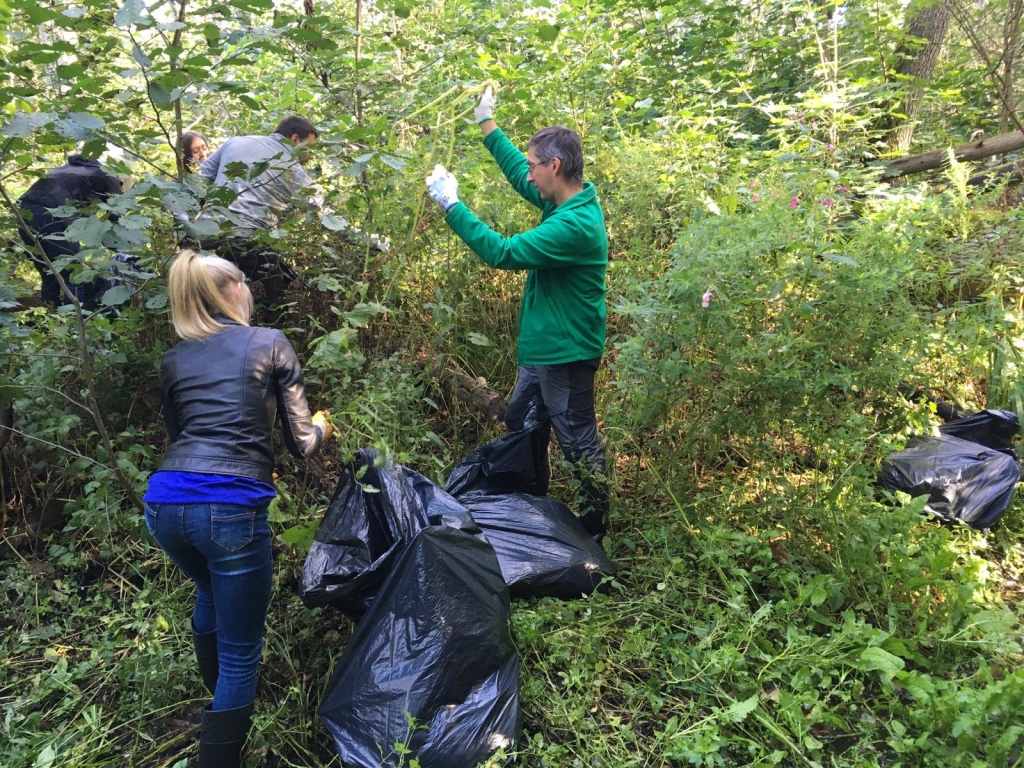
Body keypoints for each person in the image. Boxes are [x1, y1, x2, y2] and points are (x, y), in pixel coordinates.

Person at [143, 250, 332, 767]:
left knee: (208, 588)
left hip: (162, 505)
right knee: (243, 651)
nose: (249, 290)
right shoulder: (268, 342)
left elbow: (179, 435)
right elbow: (302, 445)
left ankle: (218, 694)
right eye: (244, 282)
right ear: (229, 291)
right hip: (229, 507)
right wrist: (323, 425)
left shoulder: (174, 358)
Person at [425, 86, 610, 539]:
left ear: (555, 166)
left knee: (576, 437)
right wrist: (486, 122)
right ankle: (527, 507)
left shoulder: (573, 226)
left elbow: (503, 253)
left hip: (566, 351)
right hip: (545, 347)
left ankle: (594, 526)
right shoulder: (567, 198)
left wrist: (452, 205)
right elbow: (515, 172)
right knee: (522, 421)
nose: (528, 175)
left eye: (534, 166)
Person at [195, 115, 319, 301]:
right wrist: (371, 242)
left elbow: (196, 181)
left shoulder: (235, 142)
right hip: (247, 238)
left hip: (204, 232)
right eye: (308, 148)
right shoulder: (295, 171)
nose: (310, 156)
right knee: (274, 295)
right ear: (294, 139)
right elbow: (323, 214)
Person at [16, 154, 123, 307]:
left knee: (48, 268)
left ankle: (50, 311)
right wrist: (119, 247)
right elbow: (117, 212)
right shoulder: (108, 175)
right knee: (73, 272)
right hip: (50, 213)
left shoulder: (75, 171)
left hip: (22, 211)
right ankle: (75, 322)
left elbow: (80, 211)